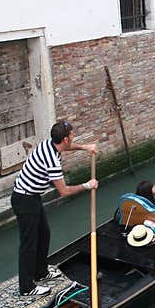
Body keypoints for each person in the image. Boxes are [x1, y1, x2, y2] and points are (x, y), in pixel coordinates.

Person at [11, 120, 97, 296]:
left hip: (31, 197)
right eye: (71, 135)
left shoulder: (50, 144)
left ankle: (41, 272)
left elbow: (68, 147)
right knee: (29, 244)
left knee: (44, 234)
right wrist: (87, 185)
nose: (73, 137)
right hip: (24, 199)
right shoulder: (52, 161)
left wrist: (85, 147)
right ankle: (27, 287)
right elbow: (64, 191)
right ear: (65, 139)